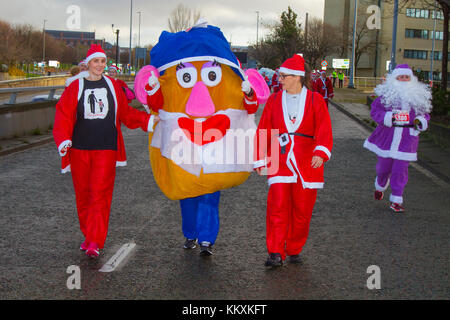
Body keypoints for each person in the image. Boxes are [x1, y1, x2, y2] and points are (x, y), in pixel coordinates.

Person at [138, 19, 261, 257]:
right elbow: (157, 105)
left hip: (216, 144)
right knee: (188, 195)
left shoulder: (230, 78)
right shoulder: (170, 77)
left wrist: (248, 93)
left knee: (210, 195)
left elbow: (250, 108)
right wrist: (153, 88)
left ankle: (206, 239)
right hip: (185, 145)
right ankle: (191, 233)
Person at [53, 44, 158, 258]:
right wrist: (63, 139)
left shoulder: (112, 85)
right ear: (88, 64)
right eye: (95, 61)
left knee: (100, 194)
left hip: (106, 148)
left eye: (102, 61)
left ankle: (95, 241)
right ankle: (88, 234)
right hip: (80, 149)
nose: (100, 65)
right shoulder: (76, 86)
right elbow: (63, 113)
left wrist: (148, 120)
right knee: (83, 195)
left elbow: (126, 113)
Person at [254, 54, 333, 267]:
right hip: (279, 159)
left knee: (302, 211)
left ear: (297, 77)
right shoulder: (273, 99)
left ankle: (294, 247)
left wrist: (321, 152)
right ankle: (275, 252)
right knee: (276, 206)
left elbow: (324, 128)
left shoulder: (316, 100)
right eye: (280, 76)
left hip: (307, 163)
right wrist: (260, 159)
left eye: (284, 76)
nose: (279, 80)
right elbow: (264, 128)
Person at [363, 64, 432, 213]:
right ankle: (380, 185)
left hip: (407, 140)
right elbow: (375, 112)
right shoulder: (386, 96)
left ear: (411, 79)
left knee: (400, 171)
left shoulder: (418, 98)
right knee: (383, 168)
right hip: (387, 138)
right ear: (394, 79)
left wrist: (421, 121)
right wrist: (389, 117)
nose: (404, 80)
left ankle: (396, 199)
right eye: (400, 77)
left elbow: (425, 114)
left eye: (407, 77)